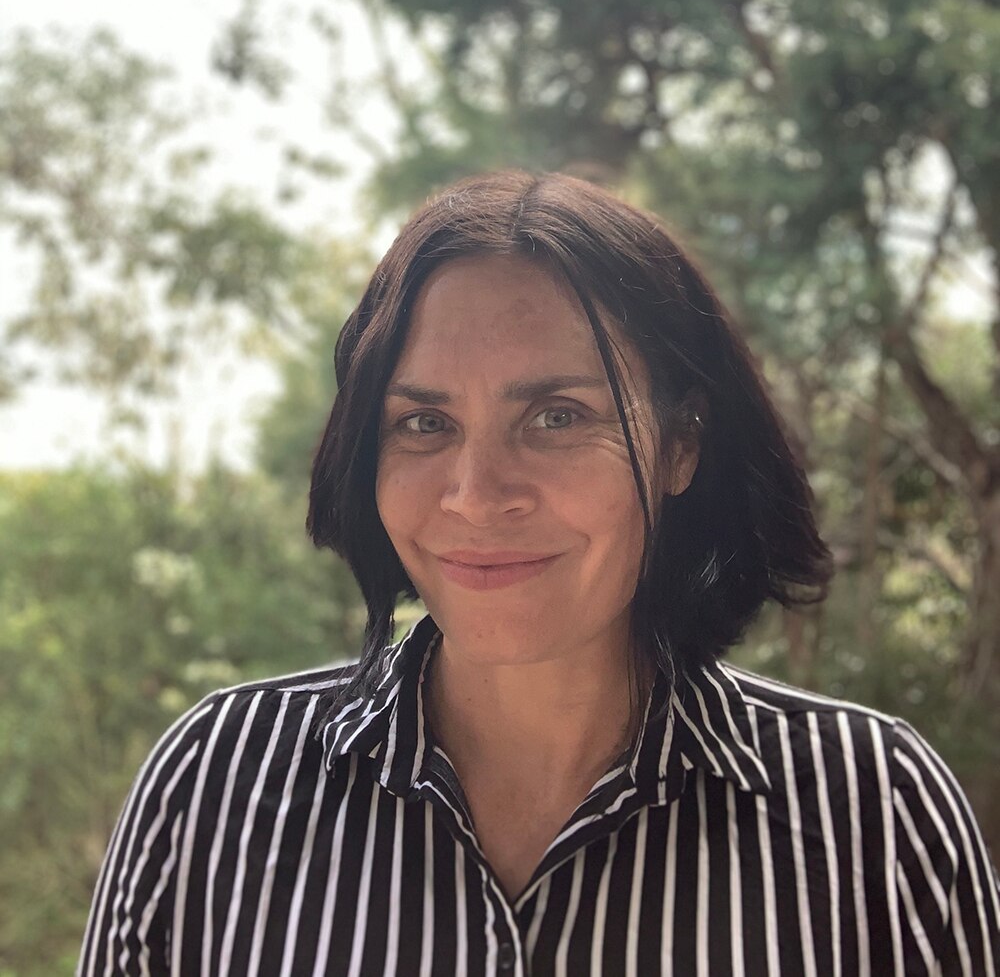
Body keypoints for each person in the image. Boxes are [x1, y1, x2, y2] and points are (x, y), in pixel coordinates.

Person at [79, 170, 999, 976]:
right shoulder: (213, 790)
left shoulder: (875, 817)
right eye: (425, 423)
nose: (477, 496)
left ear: (681, 442)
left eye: (557, 416)